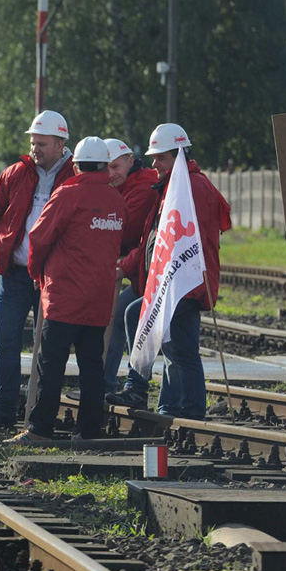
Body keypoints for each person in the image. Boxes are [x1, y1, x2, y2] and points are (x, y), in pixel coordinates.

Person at [9, 137, 128, 443]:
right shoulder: (116, 200)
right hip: (98, 300)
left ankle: (40, 429)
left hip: (63, 298)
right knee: (92, 367)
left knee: (51, 365)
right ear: (103, 165)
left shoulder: (68, 193)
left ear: (75, 165)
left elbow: (38, 238)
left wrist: (37, 274)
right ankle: (88, 431)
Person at [108, 123, 230, 419]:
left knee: (178, 348)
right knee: (174, 344)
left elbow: (187, 238)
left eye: (160, 158)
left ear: (177, 154)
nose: (154, 164)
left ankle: (179, 408)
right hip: (174, 283)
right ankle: (171, 406)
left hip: (186, 283)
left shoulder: (192, 187)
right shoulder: (175, 185)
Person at [0, 110, 75, 432]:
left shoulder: (74, 176)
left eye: (42, 144)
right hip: (15, 274)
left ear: (61, 144)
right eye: (33, 143)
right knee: (5, 342)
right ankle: (2, 410)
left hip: (52, 278)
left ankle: (38, 414)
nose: (36, 149)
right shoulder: (16, 173)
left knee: (48, 347)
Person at [102, 137, 161, 396]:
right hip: (142, 271)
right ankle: (110, 383)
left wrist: (122, 266)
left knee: (129, 315)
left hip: (151, 273)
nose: (110, 174)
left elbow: (125, 234)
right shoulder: (123, 187)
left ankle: (133, 385)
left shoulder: (142, 188)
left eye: (115, 167)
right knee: (121, 316)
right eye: (106, 169)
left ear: (129, 161)